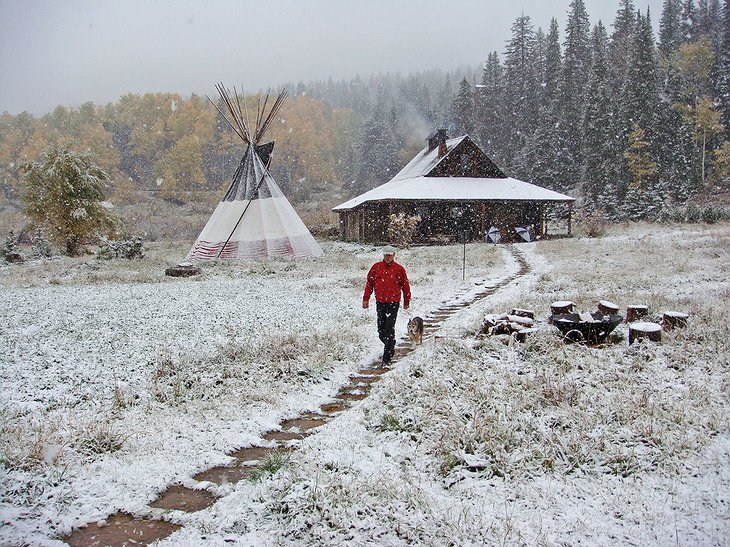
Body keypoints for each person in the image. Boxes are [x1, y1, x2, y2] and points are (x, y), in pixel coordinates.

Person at [362, 245, 411, 364]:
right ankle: (391, 343)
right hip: (380, 302)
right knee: (381, 331)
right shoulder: (376, 267)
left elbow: (405, 285)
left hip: (393, 302)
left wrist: (406, 300)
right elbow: (369, 283)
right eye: (386, 255)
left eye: (390, 255)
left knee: (389, 329)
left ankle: (386, 358)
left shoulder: (399, 269)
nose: (387, 257)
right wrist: (366, 298)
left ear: (394, 255)